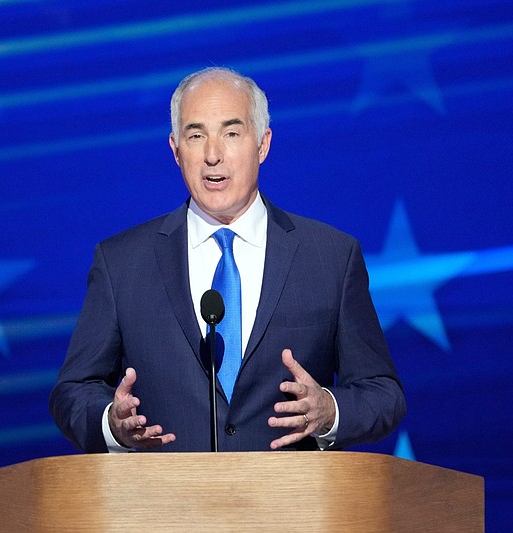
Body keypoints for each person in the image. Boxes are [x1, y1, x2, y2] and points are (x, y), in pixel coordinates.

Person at [50, 67, 405, 453]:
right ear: (175, 150)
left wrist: (329, 411)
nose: (213, 155)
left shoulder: (331, 257)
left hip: (292, 506)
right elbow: (72, 392)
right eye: (196, 135)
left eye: (231, 133)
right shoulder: (121, 263)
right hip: (167, 506)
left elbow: (383, 394)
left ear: (263, 145)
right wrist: (112, 424)